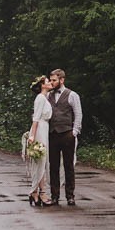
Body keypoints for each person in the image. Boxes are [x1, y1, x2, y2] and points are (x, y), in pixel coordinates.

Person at [48, 68, 82, 206]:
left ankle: (70, 195)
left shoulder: (72, 95)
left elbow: (78, 113)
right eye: (50, 80)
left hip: (67, 133)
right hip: (52, 134)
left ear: (62, 80)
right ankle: (54, 195)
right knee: (53, 166)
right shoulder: (48, 95)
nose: (51, 82)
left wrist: (74, 132)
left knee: (68, 166)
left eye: (54, 80)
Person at [24, 75, 53, 207]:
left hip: (44, 128)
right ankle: (38, 192)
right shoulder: (40, 98)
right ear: (42, 85)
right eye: (48, 81)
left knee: (42, 161)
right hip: (39, 129)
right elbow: (35, 118)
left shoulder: (45, 97)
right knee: (40, 160)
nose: (50, 83)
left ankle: (38, 191)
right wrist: (32, 136)